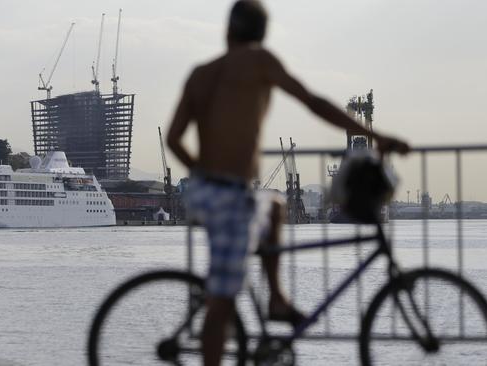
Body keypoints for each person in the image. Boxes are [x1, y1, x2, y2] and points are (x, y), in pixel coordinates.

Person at [166, 1, 409, 365]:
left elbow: (173, 139)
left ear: (227, 31)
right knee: (222, 301)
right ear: (262, 34)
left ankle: (276, 300)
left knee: (276, 206)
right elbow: (313, 102)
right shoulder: (260, 60)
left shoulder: (200, 73)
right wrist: (374, 135)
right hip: (227, 195)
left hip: (215, 191)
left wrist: (201, 172)